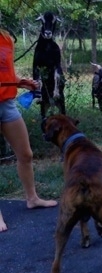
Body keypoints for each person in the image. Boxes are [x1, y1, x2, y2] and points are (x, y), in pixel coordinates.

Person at [0, 28, 57, 232]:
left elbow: (7, 72)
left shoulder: (6, 38)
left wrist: (21, 82)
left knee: (25, 154)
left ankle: (32, 198)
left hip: (6, 103)